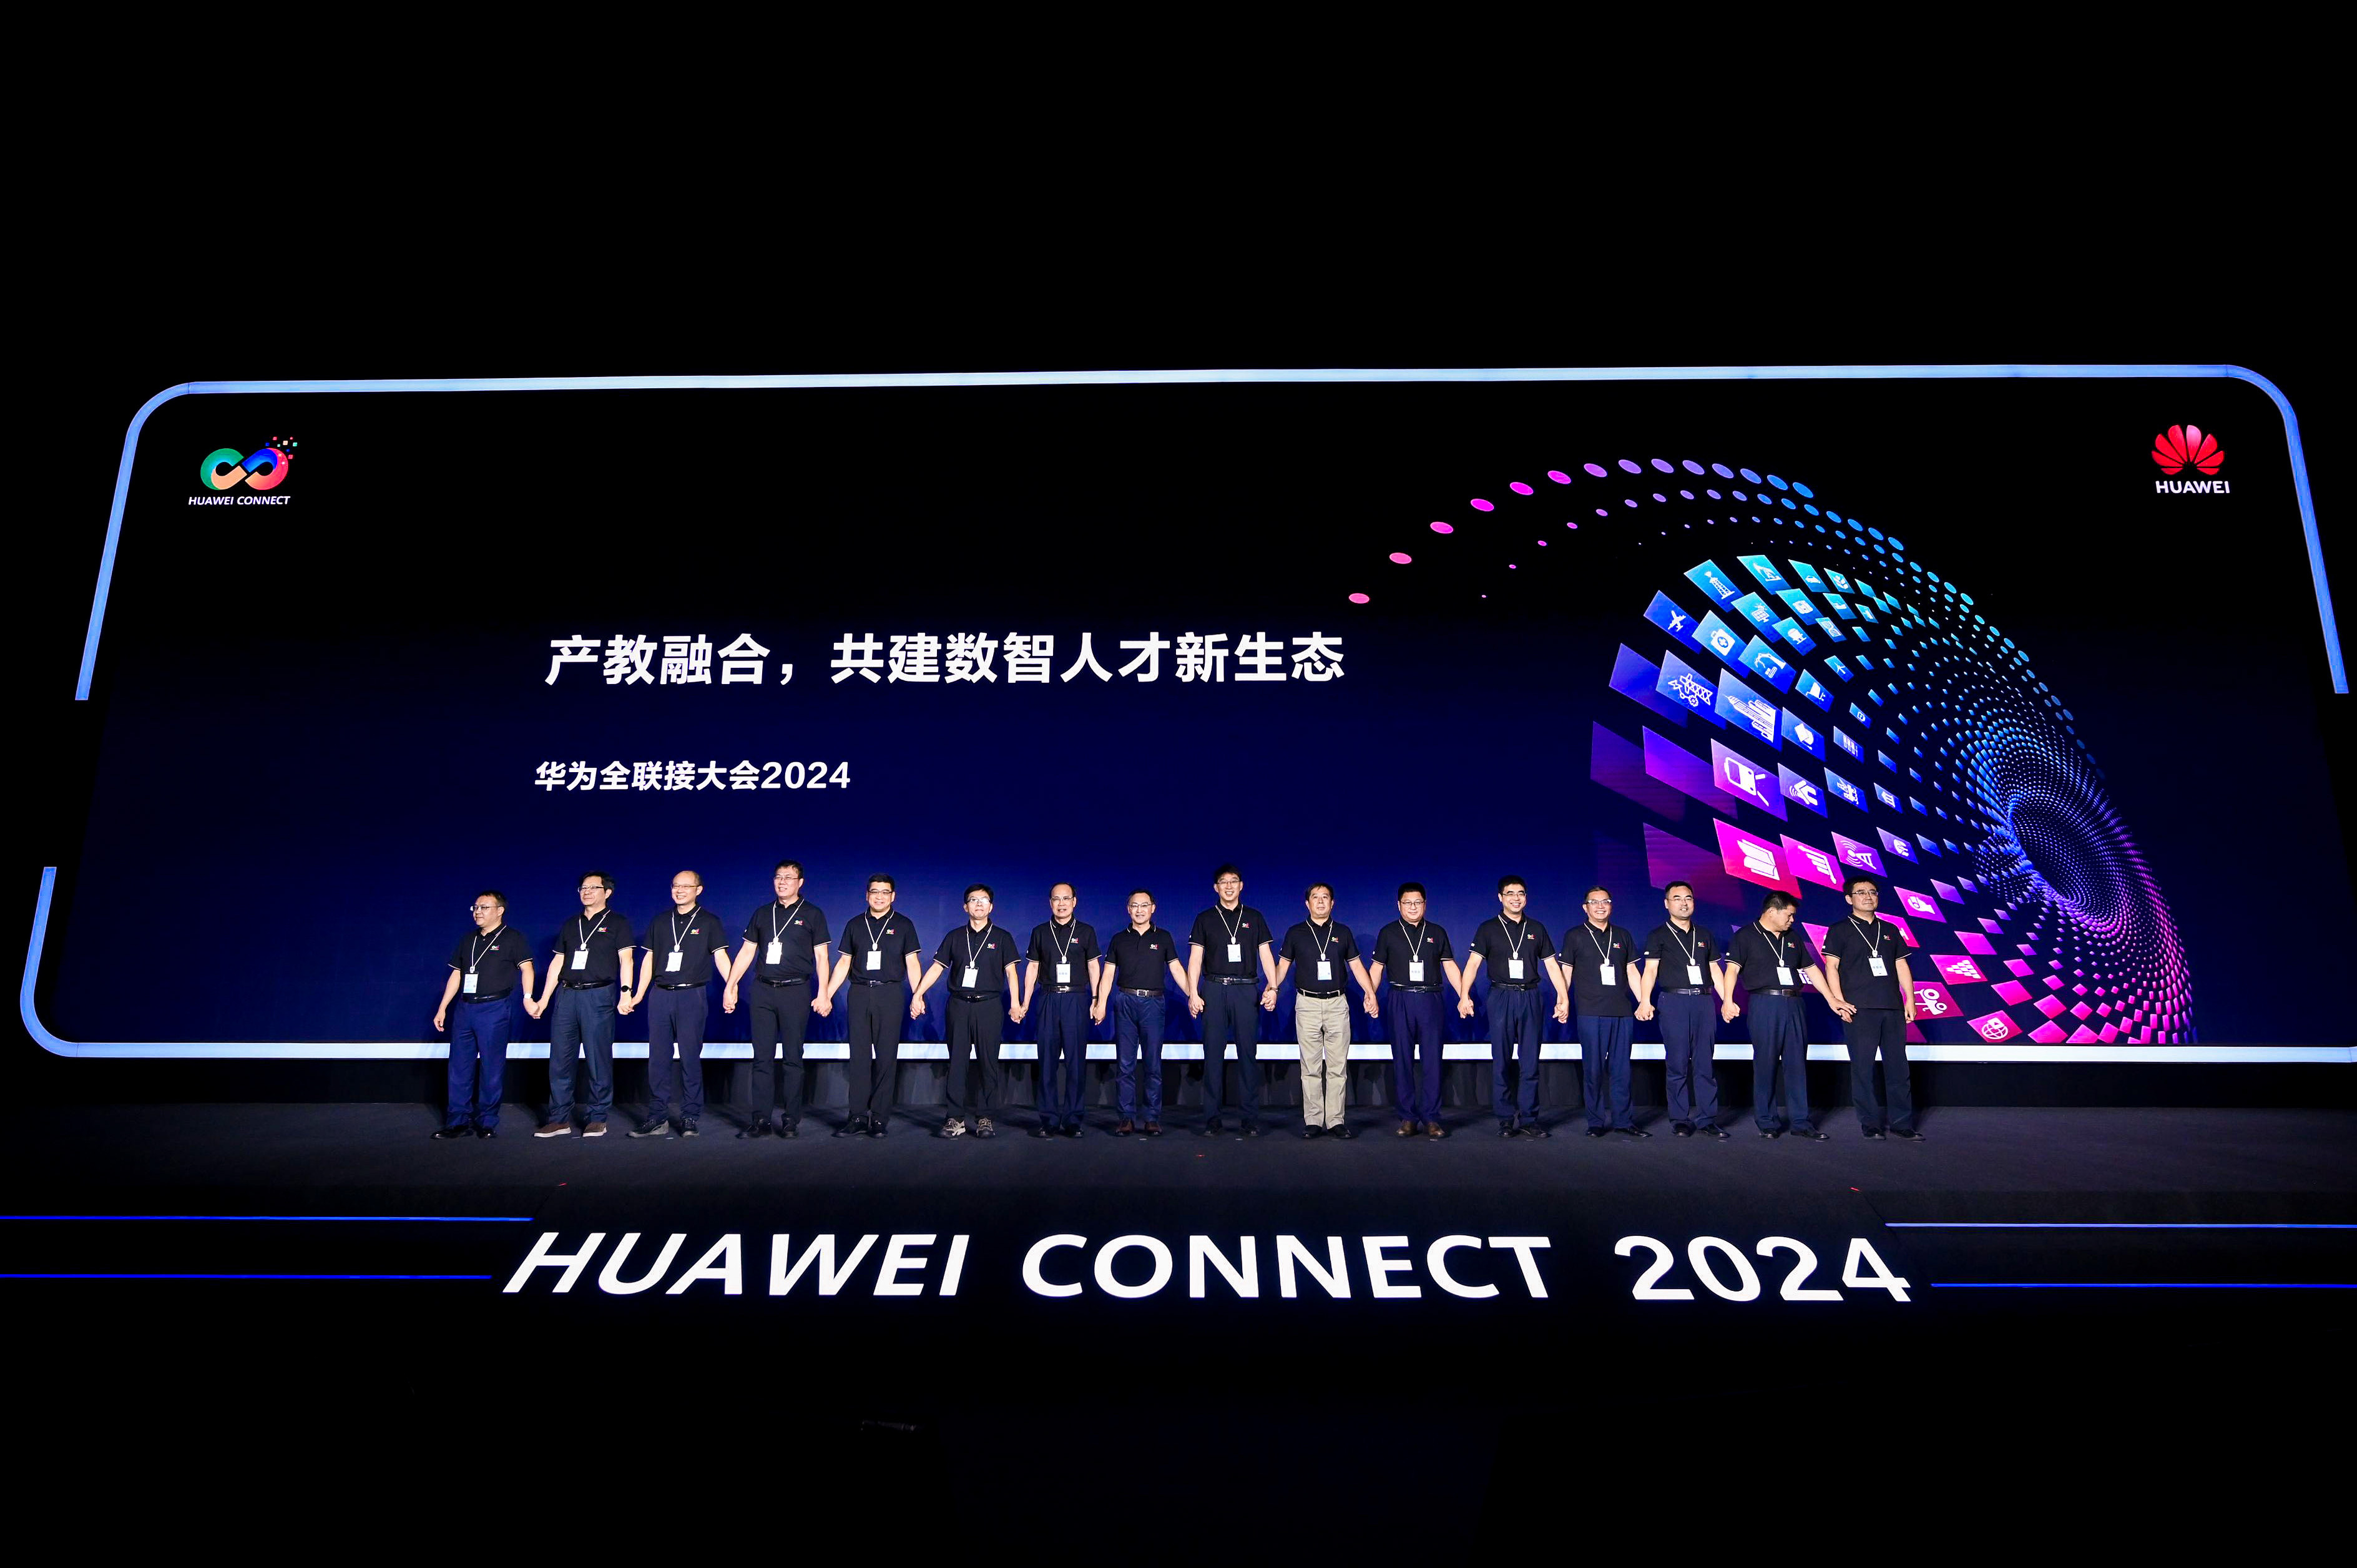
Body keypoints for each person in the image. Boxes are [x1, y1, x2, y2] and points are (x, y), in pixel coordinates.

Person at [1725, 891, 1851, 1140]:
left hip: (1794, 1004)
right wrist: (1728, 1000)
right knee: (1766, 1063)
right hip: (1764, 1004)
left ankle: (1801, 1122)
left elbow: (1812, 970)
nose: (1792, 920)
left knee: (1796, 1063)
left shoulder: (1792, 937)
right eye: (1789, 915)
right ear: (1772, 911)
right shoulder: (1745, 936)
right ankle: (1767, 1121)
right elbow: (1732, 971)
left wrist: (1831, 999)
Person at [722, 860, 832, 1139]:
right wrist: (731, 985)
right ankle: (760, 1119)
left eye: (788, 878)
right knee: (762, 1058)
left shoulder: (812, 914)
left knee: (793, 1057)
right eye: (778, 877)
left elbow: (822, 957)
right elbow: (747, 951)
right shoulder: (762, 913)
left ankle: (791, 1119)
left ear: (800, 883)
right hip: (763, 990)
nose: (782, 882)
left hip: (796, 990)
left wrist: (823, 992)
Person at [624, 870, 728, 1139]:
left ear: (699, 890)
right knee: (658, 1058)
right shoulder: (660, 921)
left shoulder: (709, 922)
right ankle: (657, 1117)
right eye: (675, 886)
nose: (679, 891)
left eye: (686, 886)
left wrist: (732, 987)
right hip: (660, 995)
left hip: (692, 995)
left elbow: (721, 957)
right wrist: (638, 994)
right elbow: (648, 960)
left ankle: (690, 1116)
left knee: (690, 1057)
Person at [1819, 874, 1924, 1141]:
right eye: (1861, 892)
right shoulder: (1839, 929)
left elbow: (1901, 965)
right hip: (1858, 1008)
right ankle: (1870, 1123)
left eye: (1873, 892)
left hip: (1892, 1007)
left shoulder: (1890, 929)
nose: (1868, 896)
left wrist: (1910, 999)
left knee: (1898, 1068)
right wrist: (1839, 1002)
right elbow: (1832, 967)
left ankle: (1902, 1123)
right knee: (1863, 1069)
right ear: (1849, 899)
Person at [913, 886, 1023, 1139]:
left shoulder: (1002, 937)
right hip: (959, 1005)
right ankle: (955, 1118)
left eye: (984, 900)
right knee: (957, 1062)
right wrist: (918, 994)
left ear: (991, 906)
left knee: (988, 1063)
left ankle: (985, 1118)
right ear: (966, 907)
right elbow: (937, 968)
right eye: (973, 900)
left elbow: (1011, 973)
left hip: (989, 1006)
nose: (979, 904)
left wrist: (1015, 1004)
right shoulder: (954, 937)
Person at [531, 871, 635, 1138]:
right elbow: (557, 962)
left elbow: (627, 960)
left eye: (593, 887)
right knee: (560, 1059)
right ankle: (559, 1119)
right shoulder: (571, 924)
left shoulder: (618, 923)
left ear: (607, 892)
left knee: (598, 1059)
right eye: (583, 888)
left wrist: (626, 992)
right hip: (566, 995)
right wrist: (544, 998)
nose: (586, 892)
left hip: (598, 995)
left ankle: (597, 1117)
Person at [822, 876, 924, 1137]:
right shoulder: (855, 924)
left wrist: (918, 995)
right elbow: (844, 963)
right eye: (875, 892)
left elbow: (912, 963)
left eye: (885, 892)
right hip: (859, 992)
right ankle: (857, 1116)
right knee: (859, 1057)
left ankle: (879, 1118)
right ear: (867, 895)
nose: (879, 897)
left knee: (886, 1057)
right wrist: (827, 995)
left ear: (893, 896)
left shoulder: (904, 925)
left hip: (889, 993)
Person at [1459, 876, 1559, 1139]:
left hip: (1530, 996)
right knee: (1501, 1060)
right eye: (1510, 893)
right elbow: (1472, 964)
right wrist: (1464, 995)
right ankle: (1505, 1119)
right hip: (1501, 996)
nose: (1516, 898)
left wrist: (1564, 996)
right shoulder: (1488, 928)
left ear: (1526, 898)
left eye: (1521, 893)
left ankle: (1529, 1119)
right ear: (1500, 898)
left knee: (1530, 1061)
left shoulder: (1536, 928)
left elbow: (1551, 965)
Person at [1634, 881, 1735, 1139]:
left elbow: (1715, 970)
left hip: (1703, 1001)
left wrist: (1727, 1000)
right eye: (1677, 898)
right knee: (1677, 1062)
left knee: (1704, 1062)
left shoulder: (1705, 935)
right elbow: (1650, 971)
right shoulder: (1658, 935)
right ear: (1667, 903)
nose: (1684, 903)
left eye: (1688, 898)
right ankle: (1679, 1119)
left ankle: (1707, 1119)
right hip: (1674, 1002)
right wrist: (1645, 1000)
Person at [1273, 883, 1375, 1139]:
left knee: (1337, 1067)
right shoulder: (1296, 932)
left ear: (1333, 903)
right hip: (1307, 1003)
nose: (1320, 902)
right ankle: (1314, 1120)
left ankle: (1336, 1120)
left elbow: (1356, 966)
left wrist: (1370, 992)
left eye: (1325, 898)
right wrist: (1272, 989)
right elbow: (1282, 966)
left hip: (1337, 1004)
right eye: (1315, 898)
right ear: (1307, 904)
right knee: (1310, 1067)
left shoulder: (1343, 932)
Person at [432, 889, 535, 1138]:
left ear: (500, 911)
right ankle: (457, 1121)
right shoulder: (468, 939)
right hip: (465, 1008)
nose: (478, 912)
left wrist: (528, 998)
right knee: (459, 1067)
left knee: (492, 1066)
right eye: (476, 908)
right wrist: (443, 1007)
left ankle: (487, 1121)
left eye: (484, 908)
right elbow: (457, 974)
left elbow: (527, 969)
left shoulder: (513, 938)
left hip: (494, 1008)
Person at [1184, 865, 1279, 1136]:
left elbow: (1266, 955)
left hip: (1245, 990)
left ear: (1241, 886)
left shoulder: (1254, 917)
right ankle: (1213, 1118)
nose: (1229, 886)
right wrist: (1193, 993)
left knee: (1248, 1055)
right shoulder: (1205, 918)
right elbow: (1195, 960)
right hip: (1214, 989)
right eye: (1223, 882)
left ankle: (1249, 1119)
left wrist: (1273, 987)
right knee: (1213, 1055)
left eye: (1233, 881)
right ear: (1216, 888)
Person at [1366, 883, 1464, 1139]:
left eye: (1418, 902)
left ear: (1425, 905)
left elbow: (1450, 966)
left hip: (1431, 999)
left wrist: (1464, 995)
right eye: (1408, 903)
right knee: (1402, 1060)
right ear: (1398, 905)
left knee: (1433, 1060)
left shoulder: (1436, 932)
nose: (1413, 907)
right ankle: (1408, 1117)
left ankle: (1431, 1118)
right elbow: (1377, 968)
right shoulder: (1388, 932)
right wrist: (1370, 994)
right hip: (1400, 998)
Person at [1556, 886, 1647, 1137]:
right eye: (1594, 902)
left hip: (1622, 1012)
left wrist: (1644, 1001)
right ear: (1585, 907)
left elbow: (1632, 972)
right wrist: (1562, 1001)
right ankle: (1595, 1122)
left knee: (1621, 1071)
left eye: (1605, 901)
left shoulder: (1622, 935)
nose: (1600, 906)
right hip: (1590, 1012)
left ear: (1611, 906)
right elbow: (1566, 972)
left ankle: (1623, 1121)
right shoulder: (1575, 935)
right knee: (1593, 1070)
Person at [1096, 890, 1187, 1137]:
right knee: (1125, 1064)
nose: (1139, 910)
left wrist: (1193, 995)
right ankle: (1126, 1118)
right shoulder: (1119, 939)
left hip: (1153, 1003)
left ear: (1153, 908)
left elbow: (1176, 969)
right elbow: (1108, 974)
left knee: (1152, 1064)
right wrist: (1101, 1003)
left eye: (1144, 905)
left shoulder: (1164, 937)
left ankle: (1151, 1118)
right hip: (1125, 1001)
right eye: (1135, 906)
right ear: (1128, 909)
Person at [1020, 883, 1102, 1137]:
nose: (1062, 903)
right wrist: (1025, 1002)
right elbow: (1032, 968)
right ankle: (1048, 1120)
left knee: (1076, 1062)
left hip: (1076, 999)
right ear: (1050, 903)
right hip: (1048, 997)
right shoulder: (1040, 932)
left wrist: (1097, 999)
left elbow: (1094, 967)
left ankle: (1074, 1119)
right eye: (1057, 899)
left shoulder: (1086, 931)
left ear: (1074, 902)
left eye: (1066, 899)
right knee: (1047, 1062)